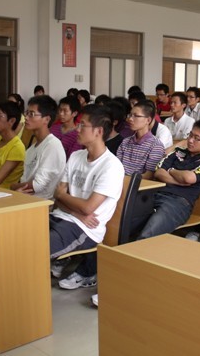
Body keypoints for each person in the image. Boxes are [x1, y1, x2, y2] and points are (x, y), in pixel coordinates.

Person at [51, 105, 125, 289]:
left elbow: (88, 208)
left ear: (98, 131)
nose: (77, 129)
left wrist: (67, 200)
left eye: (82, 125)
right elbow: (57, 195)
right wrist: (75, 211)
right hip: (64, 217)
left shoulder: (111, 166)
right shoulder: (76, 156)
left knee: (33, 248)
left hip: (85, 229)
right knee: (22, 232)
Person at [135, 120, 200, 240]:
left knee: (146, 236)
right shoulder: (179, 152)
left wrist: (170, 170)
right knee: (123, 224)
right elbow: (159, 172)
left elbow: (188, 178)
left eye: (196, 138)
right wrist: (178, 179)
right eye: (190, 135)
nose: (190, 140)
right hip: (155, 194)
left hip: (178, 202)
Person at [10, 96, 66, 200]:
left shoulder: (53, 145)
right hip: (25, 199)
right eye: (27, 113)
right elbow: (24, 180)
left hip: (42, 203)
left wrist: (13, 186)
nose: (26, 117)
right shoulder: (31, 149)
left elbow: (38, 185)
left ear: (47, 119)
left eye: (31, 114)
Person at [117, 99, 165, 179]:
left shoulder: (156, 145)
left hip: (139, 184)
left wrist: (125, 180)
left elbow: (149, 175)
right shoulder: (125, 142)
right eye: (130, 115)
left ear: (148, 120)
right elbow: (117, 167)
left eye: (136, 116)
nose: (130, 119)